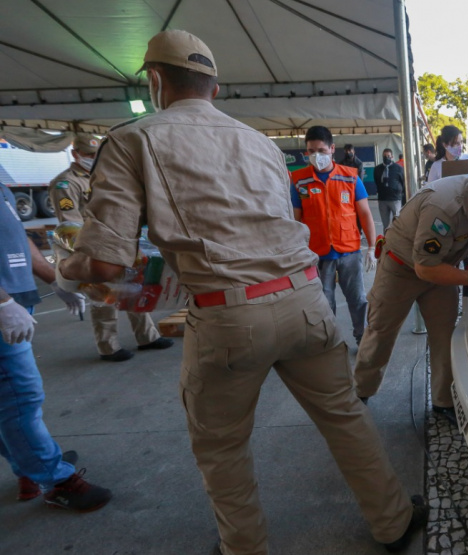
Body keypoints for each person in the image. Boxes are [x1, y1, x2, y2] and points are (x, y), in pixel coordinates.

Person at [59, 30, 425, 555]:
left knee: (223, 449)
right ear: (216, 87)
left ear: (156, 80)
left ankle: (244, 548)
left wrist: (65, 268)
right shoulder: (259, 142)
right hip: (305, 301)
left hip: (229, 319)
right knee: (345, 417)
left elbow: (105, 261)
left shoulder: (133, 138)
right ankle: (392, 523)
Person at [354, 166, 468, 422]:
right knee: (381, 331)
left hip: (444, 270)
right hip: (401, 269)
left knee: (445, 335)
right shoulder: (443, 207)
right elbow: (424, 267)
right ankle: (361, 392)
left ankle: (442, 401)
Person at [0, 182, 111, 512]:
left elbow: (15, 238)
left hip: (15, 298)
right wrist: (2, 304)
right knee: (20, 395)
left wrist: (53, 278)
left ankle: (30, 464)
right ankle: (56, 480)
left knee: (8, 400)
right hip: (5, 303)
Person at [49, 133, 173, 362]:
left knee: (135, 288)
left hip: (121, 242)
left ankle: (147, 336)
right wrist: (86, 254)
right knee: (104, 296)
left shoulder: (105, 176)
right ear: (75, 154)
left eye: (96, 154)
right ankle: (109, 346)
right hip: (93, 246)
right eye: (88, 154)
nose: (93, 158)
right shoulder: (66, 183)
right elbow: (69, 223)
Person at [291, 126, 377, 346]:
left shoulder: (350, 177)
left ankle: (363, 339)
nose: (316, 156)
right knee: (324, 303)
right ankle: (331, 343)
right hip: (317, 253)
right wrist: (295, 252)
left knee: (357, 300)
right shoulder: (299, 180)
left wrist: (372, 247)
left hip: (349, 250)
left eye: (321, 150)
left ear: (332, 149)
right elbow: (294, 220)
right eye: (311, 151)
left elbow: (365, 214)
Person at [374, 148, 405, 231]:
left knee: (398, 223)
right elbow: (377, 181)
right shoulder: (377, 169)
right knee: (386, 225)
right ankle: (387, 242)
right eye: (384, 156)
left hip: (395, 199)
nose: (386, 157)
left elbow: (402, 181)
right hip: (383, 199)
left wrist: (400, 193)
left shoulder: (398, 168)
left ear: (392, 156)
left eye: (388, 156)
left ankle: (398, 242)